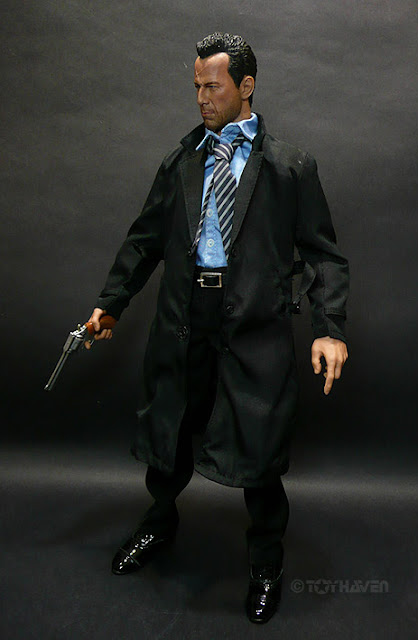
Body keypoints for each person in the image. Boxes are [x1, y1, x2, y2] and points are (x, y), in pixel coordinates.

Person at [85, 32, 349, 624]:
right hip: (185, 318)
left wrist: (329, 327)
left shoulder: (288, 167)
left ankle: (265, 563)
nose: (202, 98)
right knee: (171, 431)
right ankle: (159, 522)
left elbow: (323, 255)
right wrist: (111, 304)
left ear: (246, 86)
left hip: (253, 323)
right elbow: (144, 240)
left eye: (214, 86)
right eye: (197, 87)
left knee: (258, 449)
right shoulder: (182, 160)